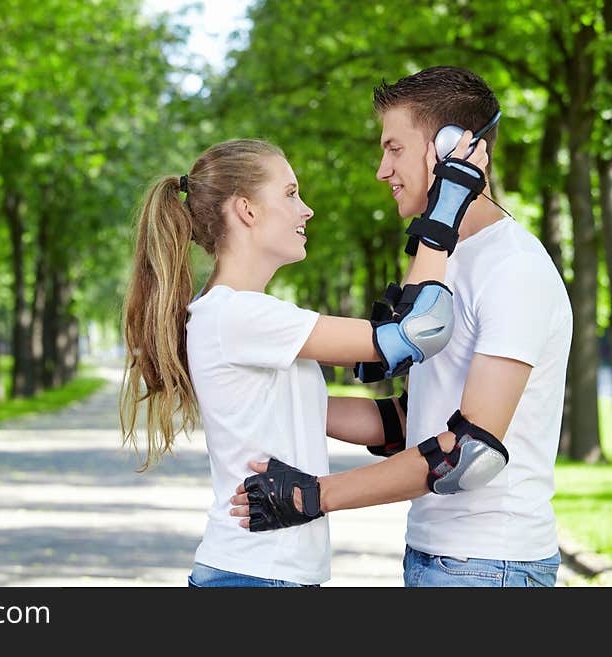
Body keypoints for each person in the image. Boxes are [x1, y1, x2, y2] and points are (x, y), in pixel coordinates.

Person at [231, 66, 572, 588]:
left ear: (453, 146)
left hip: (490, 565)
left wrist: (314, 495)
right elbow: (408, 422)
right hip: (436, 557)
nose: (381, 169)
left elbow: (468, 452)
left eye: (394, 148)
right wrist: (266, 402)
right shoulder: (446, 264)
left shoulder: (514, 268)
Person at [119, 131, 488, 586]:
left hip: (263, 573)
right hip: (256, 574)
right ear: (246, 209)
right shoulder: (238, 314)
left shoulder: (237, 315)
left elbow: (332, 407)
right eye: (291, 194)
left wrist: (412, 421)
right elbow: (419, 330)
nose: (306, 209)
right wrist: (448, 199)